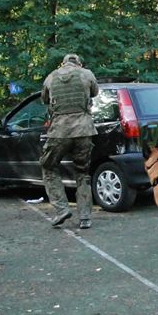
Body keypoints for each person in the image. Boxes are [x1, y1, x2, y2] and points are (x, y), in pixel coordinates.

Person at [40, 53, 99, 230]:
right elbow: (95, 92)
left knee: (48, 166)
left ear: (63, 63)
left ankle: (61, 209)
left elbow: (44, 99)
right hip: (83, 130)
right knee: (82, 172)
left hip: (59, 131)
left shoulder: (51, 77)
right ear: (78, 63)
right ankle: (85, 217)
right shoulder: (86, 74)